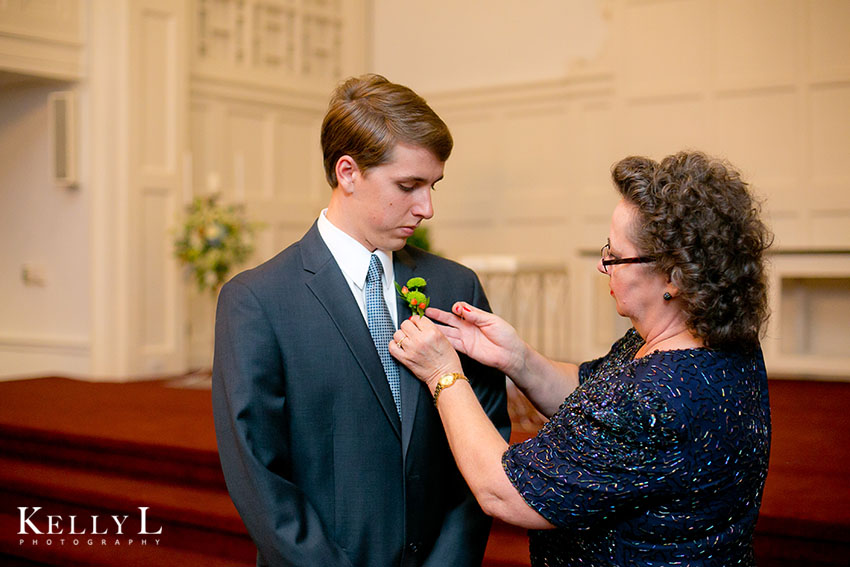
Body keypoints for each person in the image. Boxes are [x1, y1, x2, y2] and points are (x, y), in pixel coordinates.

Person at [390, 151, 773, 566]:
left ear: (674, 277)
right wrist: (517, 358)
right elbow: (590, 395)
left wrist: (444, 374)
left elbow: (502, 491)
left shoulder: (655, 396)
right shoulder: (722, 341)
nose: (602, 264)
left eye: (617, 255)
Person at [211, 74, 510, 567]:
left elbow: (487, 440)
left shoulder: (456, 288)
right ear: (347, 172)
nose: (427, 208)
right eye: (408, 186)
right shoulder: (257, 301)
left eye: (432, 186)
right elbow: (259, 476)